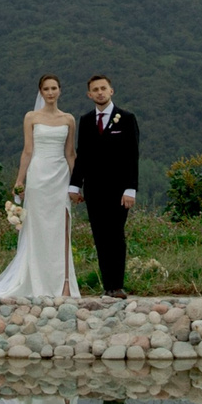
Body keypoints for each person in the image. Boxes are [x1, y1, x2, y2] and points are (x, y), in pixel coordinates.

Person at [0, 75, 80, 300]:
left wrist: (77, 185)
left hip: (60, 176)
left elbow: (71, 153)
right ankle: (35, 280)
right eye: (46, 89)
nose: (50, 92)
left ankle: (64, 284)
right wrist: (19, 180)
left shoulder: (69, 119)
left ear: (60, 91)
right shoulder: (31, 117)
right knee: (36, 226)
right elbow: (27, 150)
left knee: (62, 228)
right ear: (41, 92)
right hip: (38, 175)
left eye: (54, 88)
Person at [68, 75, 139, 298]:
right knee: (100, 236)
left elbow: (132, 156)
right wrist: (74, 184)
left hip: (119, 191)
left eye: (103, 88)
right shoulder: (86, 120)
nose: (100, 92)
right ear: (89, 94)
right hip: (94, 189)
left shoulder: (126, 118)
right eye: (95, 90)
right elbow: (83, 155)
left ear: (111, 91)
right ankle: (107, 286)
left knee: (115, 235)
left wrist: (131, 188)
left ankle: (117, 285)